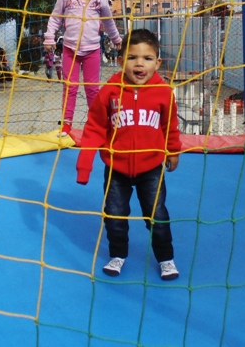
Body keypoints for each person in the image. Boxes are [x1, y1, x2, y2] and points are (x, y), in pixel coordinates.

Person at [76, 29, 182, 280]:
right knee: (114, 215)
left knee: (157, 216)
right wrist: (84, 166)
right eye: (132, 57)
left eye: (146, 58)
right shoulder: (110, 90)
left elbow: (170, 125)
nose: (139, 64)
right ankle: (118, 254)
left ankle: (166, 258)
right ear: (121, 60)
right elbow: (95, 127)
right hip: (116, 168)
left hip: (151, 168)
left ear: (157, 62)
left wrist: (173, 150)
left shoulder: (164, 92)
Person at [43, 0, 122, 136]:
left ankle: (96, 123)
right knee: (70, 87)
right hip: (70, 49)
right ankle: (66, 124)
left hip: (92, 50)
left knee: (92, 89)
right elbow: (55, 18)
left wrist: (116, 38)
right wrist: (49, 37)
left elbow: (108, 21)